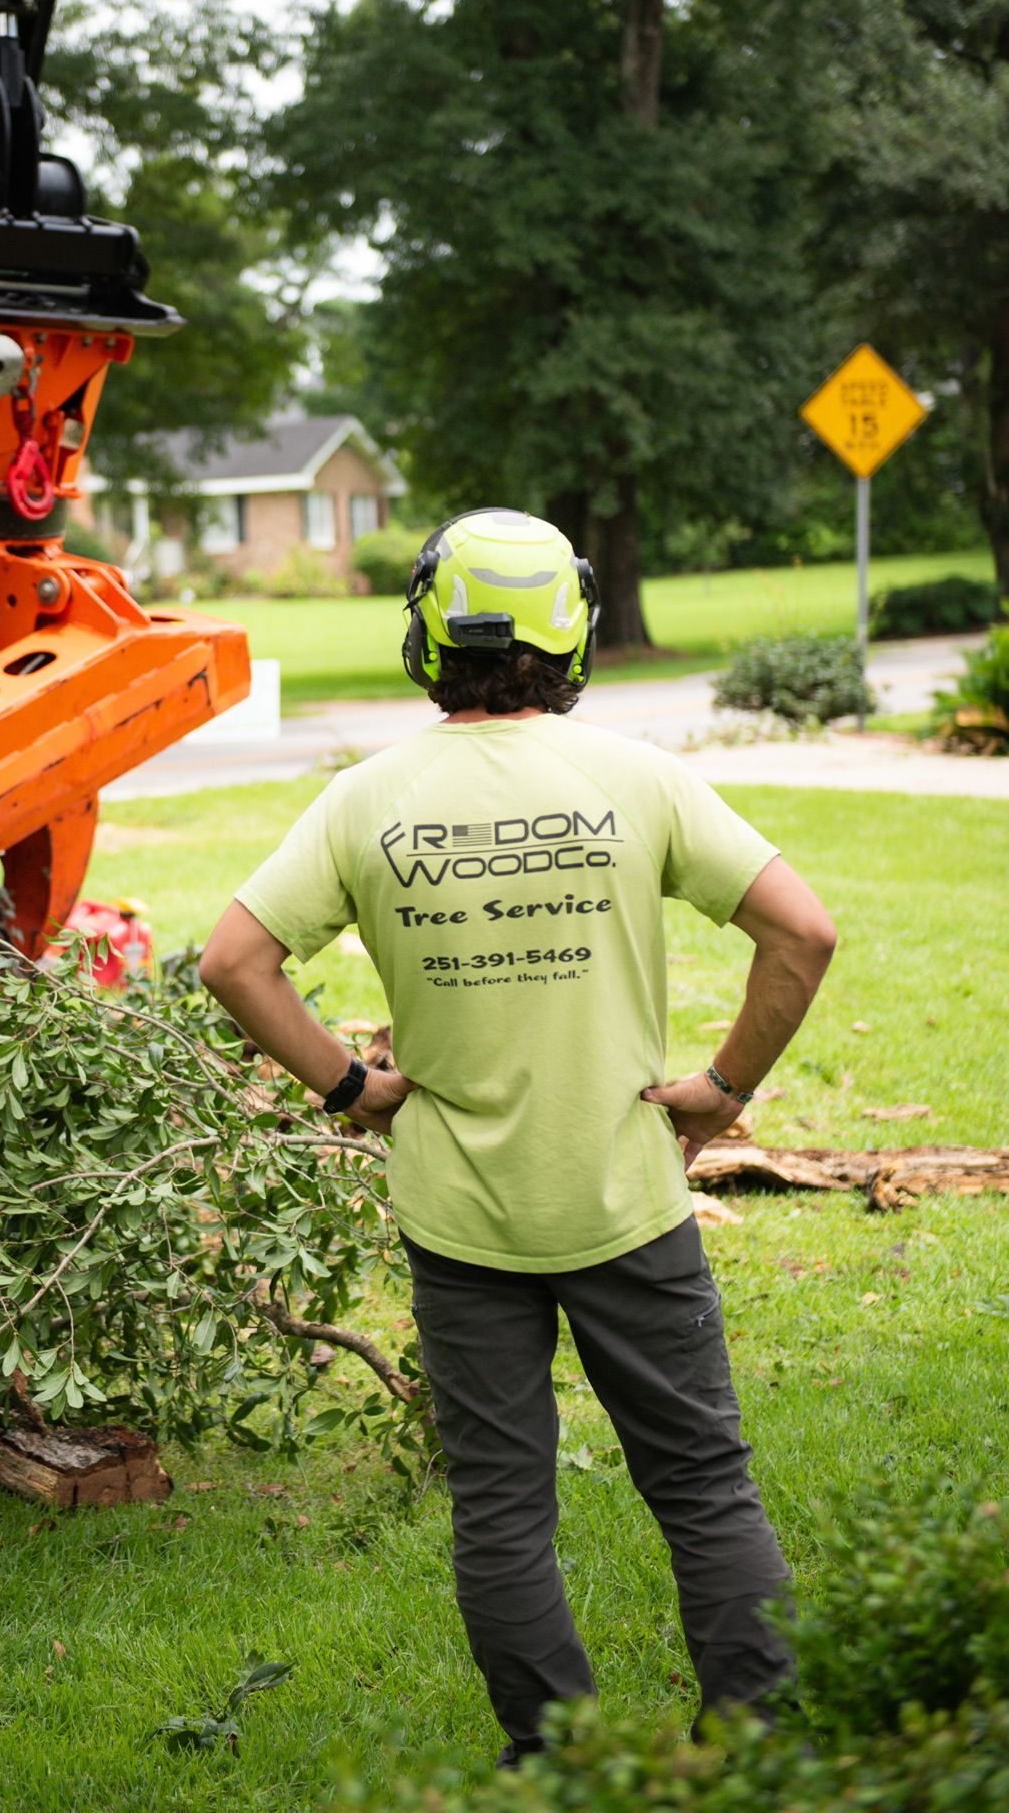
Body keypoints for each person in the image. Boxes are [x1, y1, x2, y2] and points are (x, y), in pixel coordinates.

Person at [199, 508, 836, 1763]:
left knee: (502, 1510)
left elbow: (234, 960)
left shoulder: (365, 801)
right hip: (626, 1201)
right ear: (575, 628)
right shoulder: (635, 778)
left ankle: (552, 1758)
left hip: (459, 1216)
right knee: (702, 1483)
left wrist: (349, 1086)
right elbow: (802, 933)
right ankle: (758, 1743)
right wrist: (721, 1089)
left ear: (429, 630)